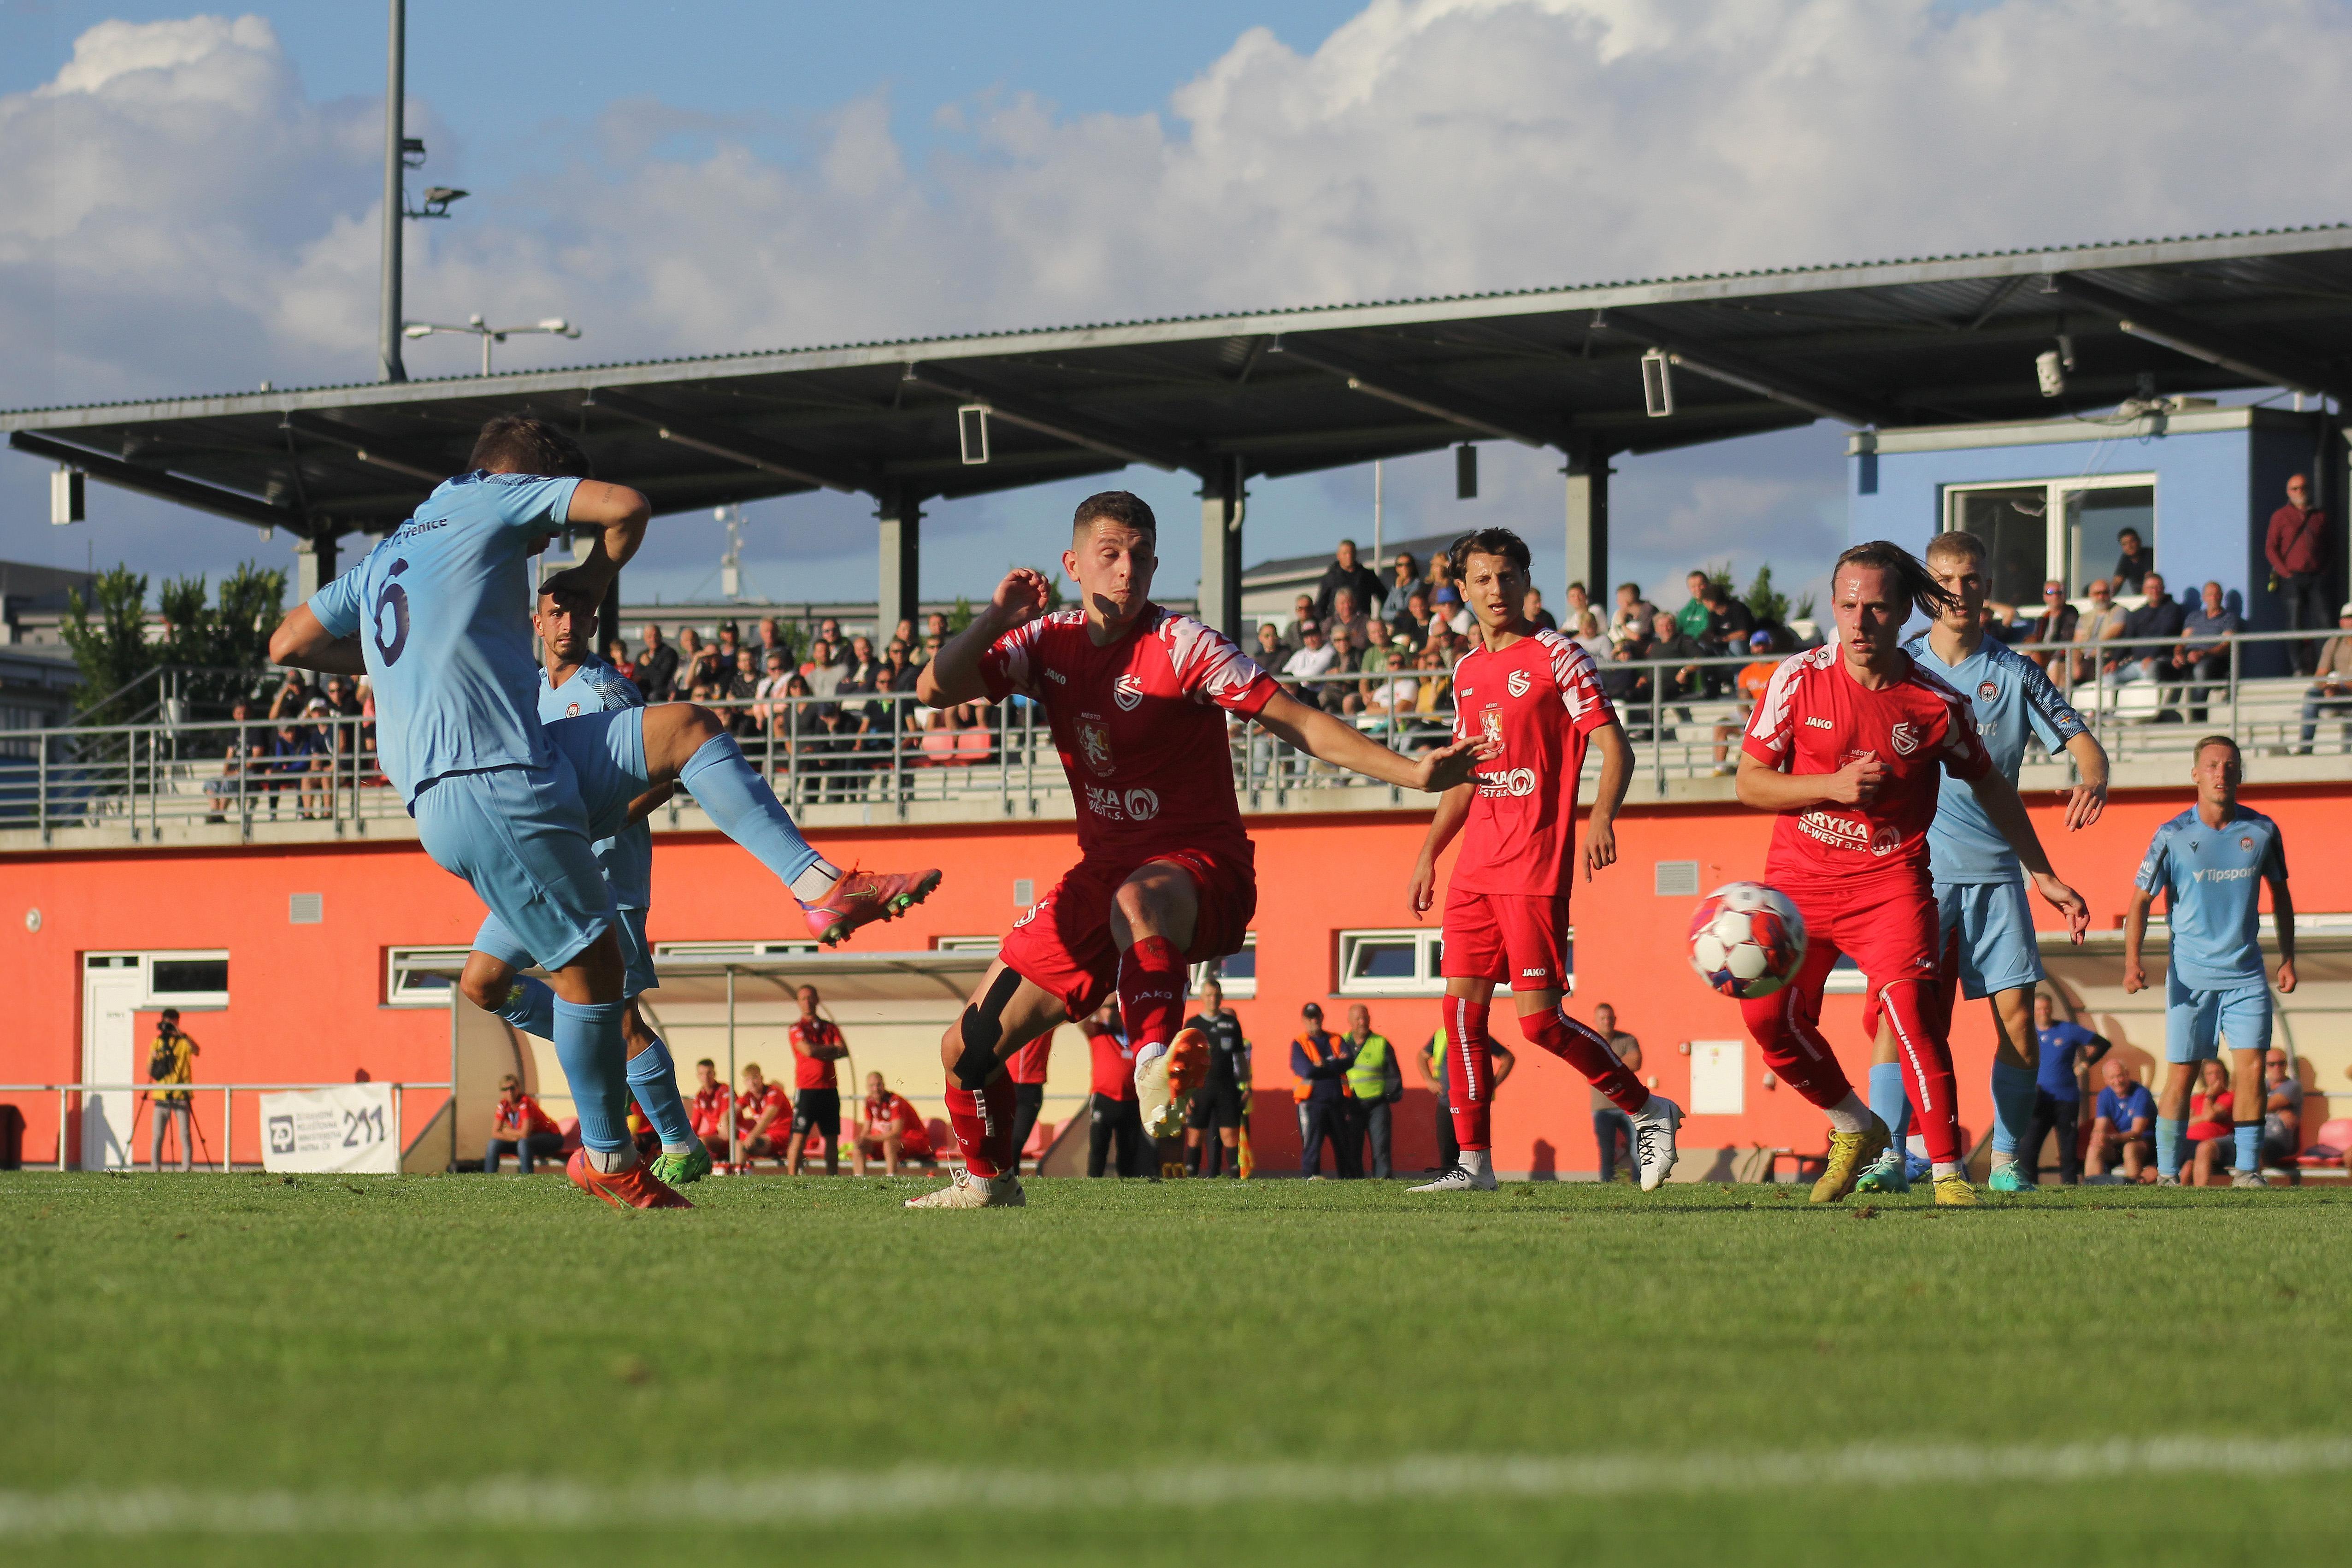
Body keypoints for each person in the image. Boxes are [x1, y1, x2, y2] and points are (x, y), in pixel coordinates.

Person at [271, 414, 939, 1209]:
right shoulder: (496, 497)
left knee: (687, 727)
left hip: (515, 769)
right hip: (487, 783)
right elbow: (626, 507)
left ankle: (819, 884)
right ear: (523, 476)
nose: (535, 558)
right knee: (594, 978)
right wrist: (592, 572)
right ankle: (608, 1155)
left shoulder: (393, 550)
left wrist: (395, 664)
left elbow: (289, 643)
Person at [902, 490, 1477, 1208]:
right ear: (1072, 563)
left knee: (1137, 897)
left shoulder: (1182, 644)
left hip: (1200, 868)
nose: (1126, 570)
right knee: (967, 1049)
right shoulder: (1042, 641)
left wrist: (1414, 771)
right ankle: (988, 1184)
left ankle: (1152, 1065)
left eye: (1140, 557)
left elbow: (1298, 721)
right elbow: (931, 688)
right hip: (1099, 875)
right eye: (1109, 555)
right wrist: (994, 616)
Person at [1734, 540, 2088, 1206]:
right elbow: (1750, 784)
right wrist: (1831, 786)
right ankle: (1854, 1127)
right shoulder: (1795, 677)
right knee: (1766, 1022)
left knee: (1912, 1019)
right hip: (1798, 884)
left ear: (1903, 614)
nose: (1859, 621)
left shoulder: (1934, 702)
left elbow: (1990, 786)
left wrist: (2040, 871)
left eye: (1874, 608)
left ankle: (1950, 1176)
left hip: (1887, 882)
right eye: (1846, 605)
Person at [1407, 527, 1680, 1194]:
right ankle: (1472, 1165)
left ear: (1526, 580)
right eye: (1480, 579)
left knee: (1537, 1023)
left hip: (1532, 864)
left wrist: (1601, 817)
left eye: (1506, 576)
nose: (1494, 589)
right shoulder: (1466, 669)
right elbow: (1468, 777)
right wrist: (1427, 854)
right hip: (1474, 866)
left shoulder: (1559, 655)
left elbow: (1614, 747)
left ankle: (1648, 1109)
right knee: (1460, 1015)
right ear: (1462, 589)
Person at [1859, 531, 2105, 1197]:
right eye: (1946, 581)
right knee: (1898, 1016)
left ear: (1986, 586)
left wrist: (2093, 777)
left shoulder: (2018, 672)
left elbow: (2085, 746)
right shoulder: (1898, 666)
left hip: (1997, 873)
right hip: (1916, 870)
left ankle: (2004, 1163)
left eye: (1970, 579)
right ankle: (1886, 1156)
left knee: (2019, 1022)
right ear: (1927, 592)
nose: (1959, 592)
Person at [455, 579, 707, 1188]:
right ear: (537, 624)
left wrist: (606, 816)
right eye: (555, 611)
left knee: (620, 1020)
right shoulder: (529, 691)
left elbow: (664, 772)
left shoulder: (606, 690)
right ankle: (599, 1058)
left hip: (605, 875)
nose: (568, 620)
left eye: (580, 610)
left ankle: (680, 1142)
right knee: (484, 982)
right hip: (539, 870)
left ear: (593, 623)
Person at [2122, 734, 2296, 1187]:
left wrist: (2289, 958)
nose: (2222, 773)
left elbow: (2281, 897)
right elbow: (2140, 901)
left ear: (2240, 774)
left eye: (2230, 765)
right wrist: (2132, 962)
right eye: (2213, 765)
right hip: (2190, 979)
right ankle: (2166, 1175)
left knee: (2252, 1070)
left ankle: (2248, 1171)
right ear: (2196, 774)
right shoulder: (2172, 835)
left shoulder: (2262, 831)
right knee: (2182, 1074)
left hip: (2246, 977)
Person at [2018, 992, 2110, 1186]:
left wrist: (2084, 1066)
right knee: (2029, 1145)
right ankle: (2029, 1185)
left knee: (2068, 1146)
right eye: (2040, 1009)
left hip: (2066, 1098)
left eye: (2047, 1009)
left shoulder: (2068, 1030)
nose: (2044, 1013)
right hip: (2039, 1098)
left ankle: (2070, 1185)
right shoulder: (2028, 1032)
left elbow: (2103, 1044)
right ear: (2034, 1011)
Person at [1420, 1023, 1514, 1174]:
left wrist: (1492, 1085)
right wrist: (1429, 1080)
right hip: (1446, 1103)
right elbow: (1422, 1057)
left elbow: (1508, 1058)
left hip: (1473, 1104)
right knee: (1447, 1151)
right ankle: (1449, 1183)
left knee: (1473, 1150)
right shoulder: (1440, 1035)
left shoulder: (1476, 1034)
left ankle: (1477, 1180)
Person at [2265, 475, 2332, 675]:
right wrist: (2285, 573)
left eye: (2302, 488)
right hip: (2292, 578)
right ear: (2288, 492)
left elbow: (2329, 546)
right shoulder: (2281, 516)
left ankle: (2325, 666)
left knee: (2324, 621)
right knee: (2295, 623)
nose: (2299, 492)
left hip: (2316, 577)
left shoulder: (2319, 516)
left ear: (2309, 489)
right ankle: (2298, 667)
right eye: (2294, 489)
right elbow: (2271, 548)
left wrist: (2324, 570)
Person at [1184, 979, 1248, 1178]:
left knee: (1230, 1135)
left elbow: (1240, 1057)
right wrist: (1184, 1094)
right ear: (1202, 997)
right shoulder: (1193, 1025)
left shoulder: (1231, 1024)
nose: (1213, 999)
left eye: (1217, 995)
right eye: (1209, 995)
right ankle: (1191, 1178)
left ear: (1221, 997)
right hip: (1200, 1089)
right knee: (1195, 1136)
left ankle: (1235, 1179)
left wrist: (1247, 1086)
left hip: (1226, 1087)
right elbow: (1184, 1060)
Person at [785, 984, 850, 1176]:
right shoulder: (797, 1028)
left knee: (831, 1138)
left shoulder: (829, 1027)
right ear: (798, 1003)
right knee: (799, 1137)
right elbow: (808, 1050)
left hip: (829, 1089)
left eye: (811, 998)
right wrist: (829, 1049)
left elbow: (843, 1050)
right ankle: (791, 1178)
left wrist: (818, 1050)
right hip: (807, 1090)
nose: (808, 1002)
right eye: (803, 998)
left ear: (817, 1000)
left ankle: (833, 1177)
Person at [1291, 1002, 1357, 1179]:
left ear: (1322, 1017)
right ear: (1304, 1020)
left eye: (1317, 1016)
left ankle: (1349, 1181)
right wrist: (1334, 1063)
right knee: (1312, 1146)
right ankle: (1310, 1179)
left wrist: (1323, 1065)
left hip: (1338, 1102)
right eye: (1310, 1017)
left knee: (1344, 1146)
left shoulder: (1336, 1039)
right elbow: (1306, 1070)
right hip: (1312, 1103)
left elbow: (1349, 1061)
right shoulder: (1299, 1043)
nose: (1314, 1021)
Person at [1339, 1003, 1403, 1179]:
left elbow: (1393, 1075)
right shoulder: (1340, 1043)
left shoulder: (1381, 1043)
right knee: (1352, 1147)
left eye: (1365, 1018)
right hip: (1351, 1104)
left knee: (1381, 1148)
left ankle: (1383, 1182)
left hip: (1377, 1105)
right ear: (1350, 1021)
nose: (1362, 1022)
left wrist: (1389, 1095)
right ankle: (1353, 1183)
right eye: (1358, 1019)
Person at [1083, 1002, 1145, 1179]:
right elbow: (1082, 1024)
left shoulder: (1134, 1034)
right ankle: (1093, 1187)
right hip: (1104, 1097)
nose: (1113, 1012)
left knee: (1128, 1150)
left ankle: (1128, 1189)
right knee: (1098, 1147)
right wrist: (1098, 1005)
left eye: (1116, 1007)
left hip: (1131, 1099)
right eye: (1109, 1008)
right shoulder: (1098, 1030)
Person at [2167, 581, 2239, 722]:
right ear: (2204, 598)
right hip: (2190, 657)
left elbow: (2226, 646)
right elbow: (2183, 641)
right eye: (2211, 594)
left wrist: (2204, 654)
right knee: (2167, 668)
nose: (2214, 597)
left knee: (2201, 670)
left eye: (2217, 594)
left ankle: (2198, 717)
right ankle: (2167, 715)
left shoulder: (2229, 619)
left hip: (2213, 659)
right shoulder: (2194, 617)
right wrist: (2178, 654)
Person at [1587, 1002, 1641, 1184]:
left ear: (1615, 1019)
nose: (1607, 1022)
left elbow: (1635, 1063)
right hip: (1602, 1108)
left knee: (1638, 1148)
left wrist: (1606, 1065)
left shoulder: (1627, 1040)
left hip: (1628, 1106)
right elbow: (1589, 1070)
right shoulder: (1590, 1042)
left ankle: (1641, 1184)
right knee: (1607, 1151)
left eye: (1609, 1018)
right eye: (1602, 1018)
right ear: (1595, 1021)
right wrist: (1619, 1065)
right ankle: (1607, 1186)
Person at [146, 1009, 199, 1172]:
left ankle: (186, 1169)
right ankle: (155, 1170)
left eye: (172, 1023)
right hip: (161, 1095)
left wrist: (181, 1034)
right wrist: (155, 1058)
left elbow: (196, 1051)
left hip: (181, 1095)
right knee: (157, 1136)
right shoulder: (157, 1043)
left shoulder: (184, 1042)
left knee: (185, 1135)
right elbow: (149, 1071)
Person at [2088, 1058, 2156, 1181]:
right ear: (2106, 1080)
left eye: (2120, 1076)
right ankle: (2092, 1186)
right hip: (2119, 1141)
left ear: (2127, 1075)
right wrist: (2098, 1137)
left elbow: (2137, 1133)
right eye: (2112, 1078)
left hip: (2145, 1142)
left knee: (2130, 1148)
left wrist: (2110, 1138)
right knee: (2095, 1146)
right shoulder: (2105, 1095)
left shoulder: (2141, 1094)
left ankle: (2132, 1186)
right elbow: (2100, 1126)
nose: (2117, 1082)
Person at [855, 1073, 935, 1176]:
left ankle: (891, 1180)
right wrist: (862, 1140)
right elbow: (866, 1131)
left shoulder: (895, 1101)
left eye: (879, 1085)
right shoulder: (869, 1102)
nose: (876, 1089)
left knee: (889, 1144)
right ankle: (859, 1182)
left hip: (914, 1140)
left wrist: (868, 1138)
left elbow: (896, 1133)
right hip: (894, 1142)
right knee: (859, 1146)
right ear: (867, 1087)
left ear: (883, 1085)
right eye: (872, 1086)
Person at [2296, 603, 2352, 752]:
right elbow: (2321, 674)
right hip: (2339, 692)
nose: (2351, 622)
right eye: (2348, 618)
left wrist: (2340, 687)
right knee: (2312, 695)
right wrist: (2328, 686)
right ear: (2341, 622)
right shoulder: (2334, 642)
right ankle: (2305, 747)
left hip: (2346, 692)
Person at [484, 1073, 564, 1174]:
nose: (510, 1092)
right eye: (505, 1089)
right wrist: (513, 1138)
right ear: (501, 1092)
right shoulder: (503, 1105)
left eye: (512, 1088)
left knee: (524, 1143)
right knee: (494, 1143)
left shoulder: (525, 1103)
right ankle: (488, 1178)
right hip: (525, 1141)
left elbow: (525, 1134)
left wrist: (506, 1131)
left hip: (552, 1138)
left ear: (519, 1088)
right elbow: (495, 1133)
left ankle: (526, 1178)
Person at [1005, 1028, 1053, 1176]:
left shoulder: (1045, 1020)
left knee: (1016, 1142)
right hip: (1005, 1084)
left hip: (1031, 1089)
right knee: (1002, 1141)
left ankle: (1011, 1184)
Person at [2183, 1058, 2236, 1187]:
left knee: (2188, 1167)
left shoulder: (2230, 1097)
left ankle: (2195, 1195)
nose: (2215, 1077)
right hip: (2189, 1142)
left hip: (2212, 1144)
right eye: (2210, 1074)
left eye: (2218, 1073)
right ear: (2204, 1077)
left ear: (2225, 1075)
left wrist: (2210, 1096)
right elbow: (2186, 1122)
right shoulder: (2196, 1098)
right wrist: (2204, 1116)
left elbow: (2210, 1115)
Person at [2069, 579, 2128, 686]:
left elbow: (2113, 634)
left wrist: (2091, 653)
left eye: (2105, 593)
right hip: (2085, 660)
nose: (2101, 597)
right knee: (2065, 673)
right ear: (2090, 595)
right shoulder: (2085, 617)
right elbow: (2076, 644)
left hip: (2105, 658)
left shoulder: (2120, 611)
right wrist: (2075, 665)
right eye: (2097, 594)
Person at [1314, 539, 1384, 625]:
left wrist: (1382, 620)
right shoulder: (1330, 578)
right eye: (1345, 554)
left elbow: (1385, 598)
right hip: (1338, 626)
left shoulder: (1367, 576)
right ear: (1339, 556)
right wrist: (1324, 625)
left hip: (1362, 626)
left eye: (1351, 553)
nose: (1349, 556)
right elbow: (1320, 606)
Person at [2259, 1048, 2303, 1176]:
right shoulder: (2261, 1085)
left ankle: (2253, 1188)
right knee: (2207, 1148)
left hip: (2278, 1142)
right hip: (2255, 1136)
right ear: (2265, 1066)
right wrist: (2279, 1112)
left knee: (2255, 1147)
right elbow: (2240, 1103)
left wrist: (2271, 1108)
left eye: (2281, 1063)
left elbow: (2268, 1105)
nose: (2277, 1067)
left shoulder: (2293, 1086)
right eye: (2272, 1064)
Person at [735, 1063, 790, 1161]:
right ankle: (739, 1173)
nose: (752, 1083)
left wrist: (752, 1136)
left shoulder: (774, 1092)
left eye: (755, 1078)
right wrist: (724, 1123)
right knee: (737, 1145)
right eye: (748, 1080)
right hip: (767, 1136)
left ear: (762, 1078)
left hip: (783, 1136)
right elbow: (731, 1112)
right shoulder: (749, 1095)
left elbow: (767, 1119)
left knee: (741, 1146)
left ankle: (739, 1175)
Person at [689, 1058, 732, 1162]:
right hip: (712, 1136)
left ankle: (708, 1166)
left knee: (702, 1141)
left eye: (709, 1073)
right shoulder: (700, 1096)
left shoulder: (725, 1091)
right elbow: (695, 1124)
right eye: (702, 1074)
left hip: (727, 1136)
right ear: (698, 1076)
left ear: (714, 1074)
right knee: (692, 1142)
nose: (706, 1077)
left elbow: (725, 1121)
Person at [633, 624, 679, 703]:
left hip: (663, 692)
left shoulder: (669, 653)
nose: (653, 639)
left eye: (656, 636)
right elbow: (638, 677)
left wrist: (649, 665)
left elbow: (661, 681)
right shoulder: (642, 655)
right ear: (645, 639)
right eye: (649, 637)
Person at [2110, 527, 2154, 597]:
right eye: (2125, 544)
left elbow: (2150, 577)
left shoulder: (2149, 555)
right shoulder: (2126, 559)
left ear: (2139, 541)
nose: (2129, 546)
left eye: (2132, 542)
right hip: (2139, 599)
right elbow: (2118, 581)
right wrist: (2108, 596)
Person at [1675, 570, 1715, 642]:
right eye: (1693, 587)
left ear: (1708, 584)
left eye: (1701, 585)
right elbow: (1677, 631)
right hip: (1689, 646)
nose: (1698, 589)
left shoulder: (1714, 607)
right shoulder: (1685, 612)